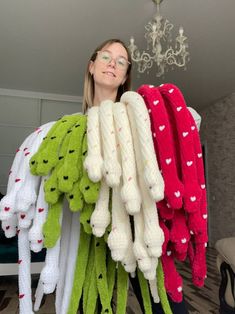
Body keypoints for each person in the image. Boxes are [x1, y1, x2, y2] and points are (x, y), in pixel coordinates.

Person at [80, 38, 189, 314]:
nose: (113, 64)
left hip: (139, 225)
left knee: (167, 305)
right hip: (90, 231)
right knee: (89, 303)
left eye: (121, 61)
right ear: (92, 66)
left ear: (125, 75)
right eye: (106, 57)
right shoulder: (74, 127)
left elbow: (185, 123)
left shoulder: (140, 115)